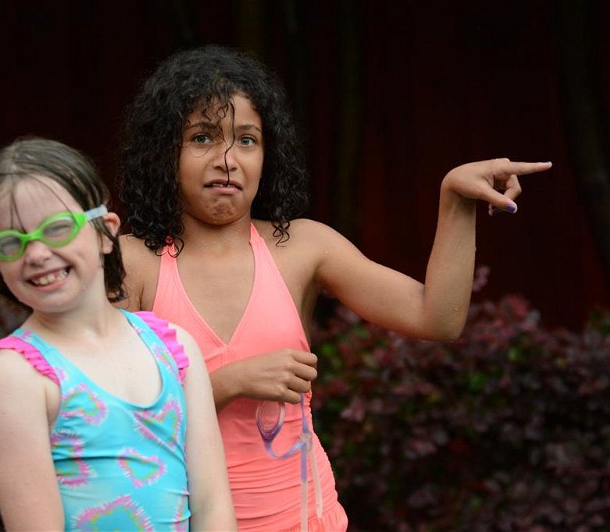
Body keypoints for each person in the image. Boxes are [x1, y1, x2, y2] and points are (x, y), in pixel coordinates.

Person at [115, 45, 552, 531]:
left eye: (247, 140)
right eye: (202, 137)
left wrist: (455, 200)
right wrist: (228, 383)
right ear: (165, 152)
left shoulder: (302, 247)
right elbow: (105, 420)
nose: (227, 160)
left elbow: (438, 318)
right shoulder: (132, 263)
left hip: (306, 519)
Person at [0, 137, 236, 531]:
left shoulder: (174, 348)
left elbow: (212, 505)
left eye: (58, 228)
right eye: (12, 243)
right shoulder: (17, 375)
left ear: (105, 233)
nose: (37, 253)